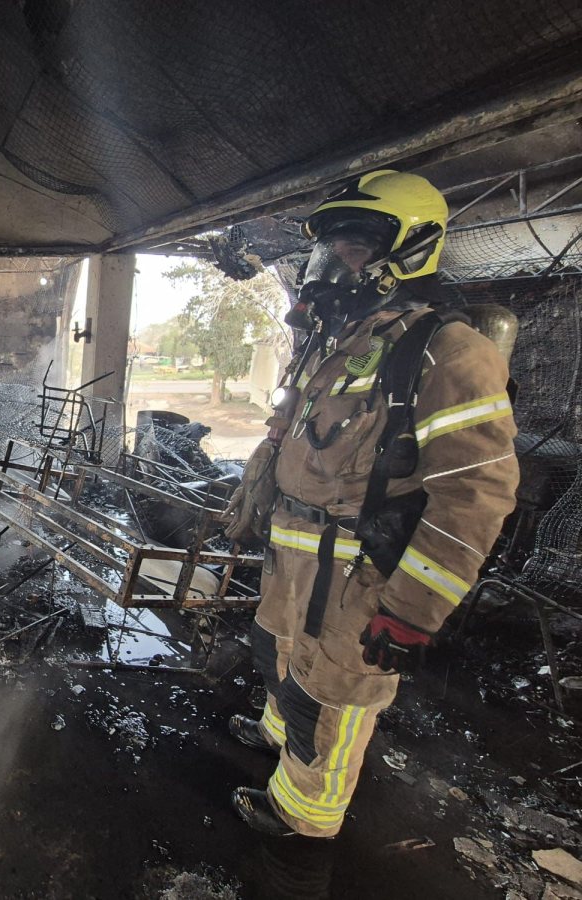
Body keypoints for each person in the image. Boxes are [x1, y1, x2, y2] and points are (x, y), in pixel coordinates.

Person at [224, 171, 519, 837]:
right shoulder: (338, 342)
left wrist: (410, 614)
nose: (334, 263)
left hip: (359, 576)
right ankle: (276, 743)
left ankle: (301, 823)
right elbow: (284, 432)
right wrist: (248, 502)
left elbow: (476, 495)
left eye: (355, 247)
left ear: (412, 250)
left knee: (331, 700)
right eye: (330, 248)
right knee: (276, 659)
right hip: (294, 559)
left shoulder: (448, 351)